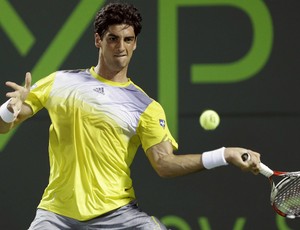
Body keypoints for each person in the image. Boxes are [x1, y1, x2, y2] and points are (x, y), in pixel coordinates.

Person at [0, 2, 261, 230]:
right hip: (56, 214)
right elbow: (4, 126)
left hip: (118, 215)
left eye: (128, 39)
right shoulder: (61, 82)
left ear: (135, 43)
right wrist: (9, 110)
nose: (120, 47)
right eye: (112, 38)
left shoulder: (146, 106)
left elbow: (165, 165)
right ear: (98, 40)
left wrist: (224, 154)